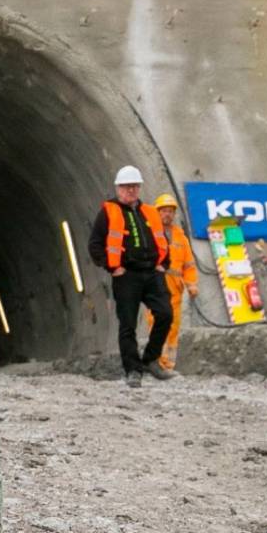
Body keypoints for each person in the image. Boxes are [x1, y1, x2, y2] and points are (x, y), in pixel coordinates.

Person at [88, 165, 173, 388]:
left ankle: (151, 359)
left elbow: (162, 238)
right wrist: (111, 267)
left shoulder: (150, 212)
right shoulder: (108, 212)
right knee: (128, 325)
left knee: (165, 313)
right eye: (127, 187)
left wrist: (164, 263)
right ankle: (133, 370)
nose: (131, 191)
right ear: (118, 188)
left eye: (135, 186)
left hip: (152, 273)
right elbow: (95, 244)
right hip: (127, 276)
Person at [144, 193, 198, 371]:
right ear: (157, 212)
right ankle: (157, 361)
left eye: (170, 211)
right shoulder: (149, 233)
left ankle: (169, 364)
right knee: (156, 323)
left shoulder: (180, 237)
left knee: (173, 325)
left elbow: (189, 265)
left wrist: (192, 284)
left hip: (175, 288)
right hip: (155, 285)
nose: (167, 215)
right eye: (164, 211)